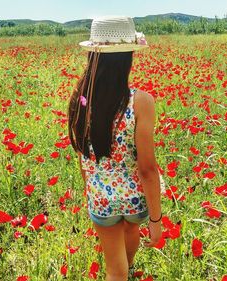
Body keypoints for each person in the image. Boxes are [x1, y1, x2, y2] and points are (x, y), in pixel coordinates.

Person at [67, 16, 165, 281]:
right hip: (134, 198)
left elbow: (83, 156)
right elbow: (146, 169)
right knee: (128, 242)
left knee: (115, 272)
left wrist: (92, 188)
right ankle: (128, 270)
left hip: (102, 197)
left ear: (92, 54)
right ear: (128, 57)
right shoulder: (141, 102)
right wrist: (156, 223)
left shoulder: (81, 99)